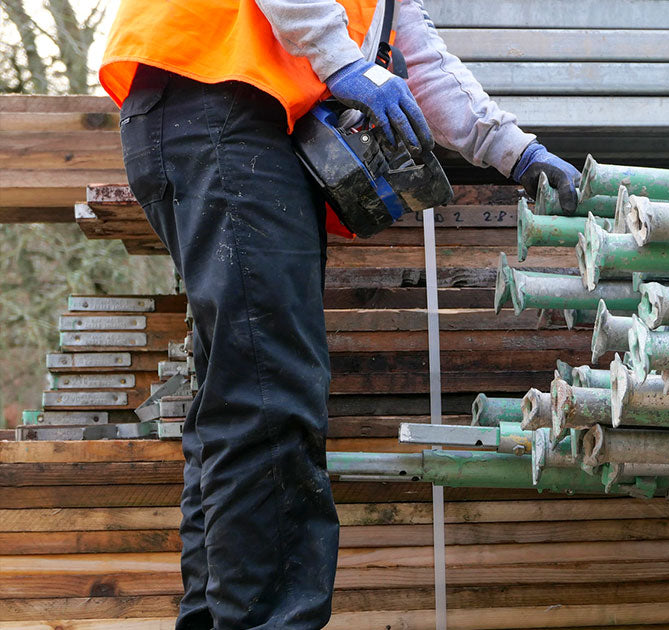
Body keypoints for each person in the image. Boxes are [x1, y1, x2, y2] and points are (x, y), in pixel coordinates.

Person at [99, 1, 579, 628]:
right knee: (269, 395)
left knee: (243, 392)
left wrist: (514, 151)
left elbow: (419, 58)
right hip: (223, 105)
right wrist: (341, 60)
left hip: (222, 115)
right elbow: (355, 55)